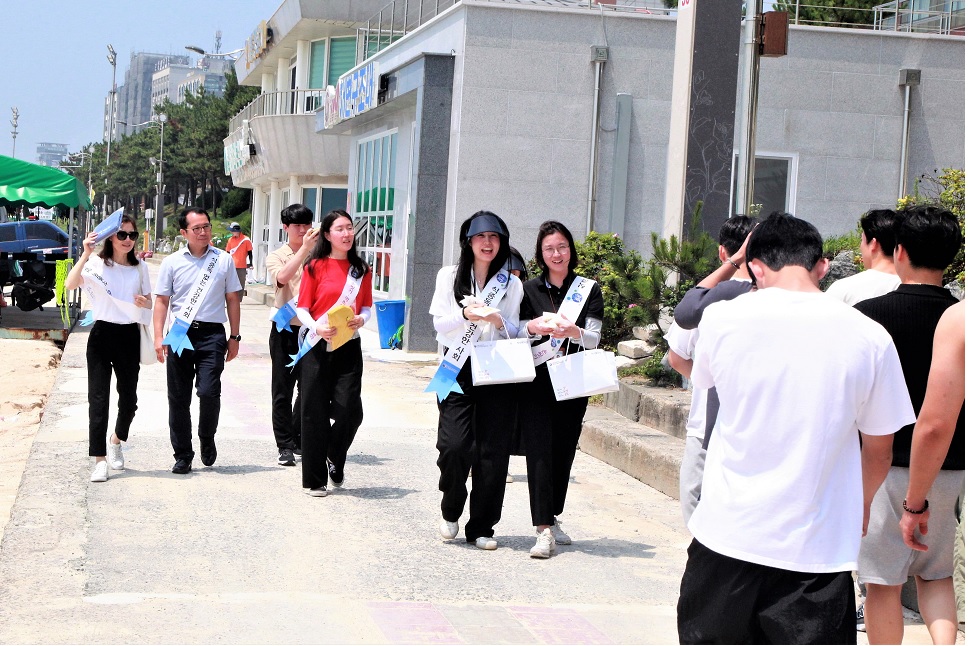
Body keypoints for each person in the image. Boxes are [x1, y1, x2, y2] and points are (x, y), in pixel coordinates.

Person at [676, 213, 914, 644]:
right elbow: (880, 449)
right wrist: (859, 506)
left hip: (727, 536)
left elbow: (703, 380)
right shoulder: (870, 336)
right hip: (818, 553)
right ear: (821, 265)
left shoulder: (722, 320)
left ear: (756, 266)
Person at [854, 205, 964, 645]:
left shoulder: (866, 314)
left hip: (884, 464)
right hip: (950, 466)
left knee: (883, 582)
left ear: (898, 251)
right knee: (936, 576)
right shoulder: (957, 315)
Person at [428, 210, 522, 550]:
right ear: (469, 241)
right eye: (481, 237)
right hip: (454, 369)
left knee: (492, 453)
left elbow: (515, 330)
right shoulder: (449, 276)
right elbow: (439, 324)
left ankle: (482, 526)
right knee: (454, 446)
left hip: (495, 369)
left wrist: (498, 322)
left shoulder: (512, 284)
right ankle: (451, 507)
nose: (488, 243)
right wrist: (467, 314)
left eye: (494, 237)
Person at [517, 221, 604, 559]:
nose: (557, 253)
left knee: (563, 450)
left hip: (573, 381)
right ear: (541, 253)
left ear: (571, 250)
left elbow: (595, 337)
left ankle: (552, 515)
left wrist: (575, 331)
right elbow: (517, 332)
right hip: (537, 382)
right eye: (550, 248)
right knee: (539, 451)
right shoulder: (528, 290)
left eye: (562, 247)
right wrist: (532, 326)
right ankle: (542, 530)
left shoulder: (588, 290)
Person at [665, 215, 756, 526]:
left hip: (707, 420)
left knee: (698, 504)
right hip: (755, 424)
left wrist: (707, 381)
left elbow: (677, 357)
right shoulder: (776, 296)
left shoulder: (712, 298)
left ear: (723, 252)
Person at [153, 208, 242, 475]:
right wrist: (158, 336)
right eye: (197, 228)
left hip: (212, 334)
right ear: (184, 233)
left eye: (206, 226)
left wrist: (235, 336)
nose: (203, 232)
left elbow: (233, 300)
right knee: (178, 397)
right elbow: (162, 302)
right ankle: (182, 454)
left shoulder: (223, 260)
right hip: (180, 333)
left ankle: (206, 436)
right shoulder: (172, 262)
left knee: (208, 391)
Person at [65, 215, 152, 483]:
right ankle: (99, 459)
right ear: (111, 237)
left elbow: (150, 303)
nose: (128, 240)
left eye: (132, 235)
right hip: (102, 335)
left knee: (129, 400)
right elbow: (70, 285)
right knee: (98, 399)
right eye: (122, 235)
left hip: (128, 336)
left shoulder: (140, 269)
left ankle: (116, 440)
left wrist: (143, 302)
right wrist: (85, 253)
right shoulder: (96, 264)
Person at [295, 210, 372, 497]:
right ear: (327, 235)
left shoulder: (360, 270)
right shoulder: (314, 266)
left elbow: (366, 305)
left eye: (350, 228)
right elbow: (301, 308)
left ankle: (334, 453)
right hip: (316, 344)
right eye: (340, 229)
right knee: (313, 412)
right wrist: (317, 325)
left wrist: (363, 318)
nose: (347, 234)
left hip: (348, 345)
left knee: (350, 408)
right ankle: (315, 479)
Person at [899, 302, 965, 621]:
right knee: (937, 575)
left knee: (884, 584)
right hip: (957, 468)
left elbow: (936, 425)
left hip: (900, 465)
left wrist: (914, 504)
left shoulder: (960, 319)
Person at [265, 204, 319, 467]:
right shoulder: (277, 255)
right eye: (297, 225)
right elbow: (283, 278)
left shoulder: (322, 254)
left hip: (313, 330)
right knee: (282, 390)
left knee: (309, 388)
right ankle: (284, 445)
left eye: (307, 224)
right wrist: (305, 251)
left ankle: (298, 437)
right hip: (286, 328)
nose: (303, 230)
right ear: (286, 227)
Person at [826, 209, 901, 305]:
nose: (860, 247)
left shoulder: (842, 289)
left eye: (862, 240)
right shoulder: (914, 287)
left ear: (873, 244)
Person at [506, 246, 529, 482]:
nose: (513, 276)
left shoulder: (523, 292)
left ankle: (503, 462)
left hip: (514, 362)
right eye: (508, 271)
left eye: (517, 271)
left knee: (508, 416)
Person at [226, 222, 253, 296]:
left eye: (232, 230)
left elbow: (250, 252)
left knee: (241, 284)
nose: (231, 232)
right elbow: (228, 252)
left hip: (241, 266)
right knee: (230, 284)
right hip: (231, 266)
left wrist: (251, 263)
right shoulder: (230, 240)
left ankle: (239, 300)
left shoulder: (246, 240)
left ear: (237, 231)